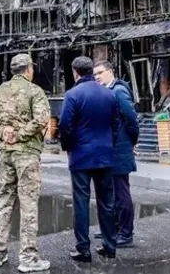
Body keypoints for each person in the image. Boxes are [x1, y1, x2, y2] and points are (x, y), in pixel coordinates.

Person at [0, 54, 51, 273]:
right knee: (28, 204)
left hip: (5, 154)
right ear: (28, 69)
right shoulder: (35, 91)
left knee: (3, 201)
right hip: (27, 155)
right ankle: (28, 258)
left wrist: (3, 133)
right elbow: (41, 119)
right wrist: (21, 134)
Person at [58, 56, 118, 263]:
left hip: (81, 156)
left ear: (75, 72)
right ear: (91, 71)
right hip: (105, 155)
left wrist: (67, 147)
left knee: (81, 203)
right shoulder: (108, 94)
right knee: (107, 202)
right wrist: (111, 145)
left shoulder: (72, 94)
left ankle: (83, 249)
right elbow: (115, 124)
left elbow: (64, 126)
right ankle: (110, 246)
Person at [93, 60, 140, 248]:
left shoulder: (118, 91)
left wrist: (130, 141)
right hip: (111, 148)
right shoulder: (107, 91)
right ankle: (113, 228)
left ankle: (126, 234)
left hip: (119, 149)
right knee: (111, 191)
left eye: (101, 72)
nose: (97, 77)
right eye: (95, 74)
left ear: (111, 72)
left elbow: (131, 119)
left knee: (121, 192)